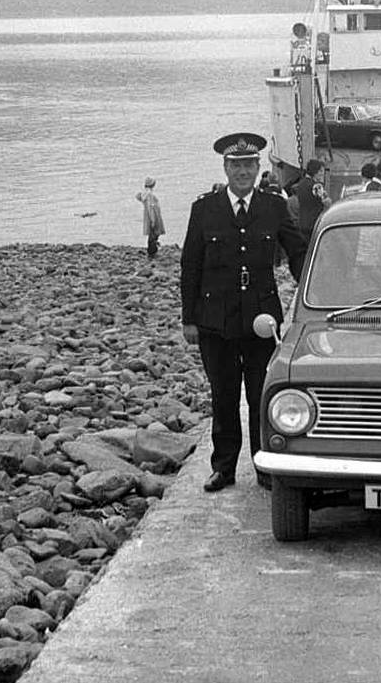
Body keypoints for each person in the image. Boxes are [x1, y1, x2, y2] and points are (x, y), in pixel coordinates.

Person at [180, 132, 306, 493]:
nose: (242, 172)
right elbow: (191, 265)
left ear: (258, 168)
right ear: (225, 167)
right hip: (214, 322)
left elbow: (297, 252)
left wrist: (311, 287)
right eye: (236, 166)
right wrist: (188, 318)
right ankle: (223, 467)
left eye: (249, 165)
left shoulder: (273, 206)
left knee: (259, 396)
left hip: (261, 322)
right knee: (223, 395)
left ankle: (263, 465)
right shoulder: (204, 209)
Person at [294, 158, 330, 243]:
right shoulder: (316, 186)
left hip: (303, 221)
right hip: (315, 222)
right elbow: (327, 202)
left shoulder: (301, 184)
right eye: (321, 171)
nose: (322, 174)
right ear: (315, 171)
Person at [135, 177, 165, 259]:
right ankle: (152, 252)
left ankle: (152, 251)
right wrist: (153, 220)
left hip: (148, 215)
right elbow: (151, 207)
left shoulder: (145, 193)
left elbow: (139, 197)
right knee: (155, 233)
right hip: (153, 215)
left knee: (153, 234)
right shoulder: (150, 195)